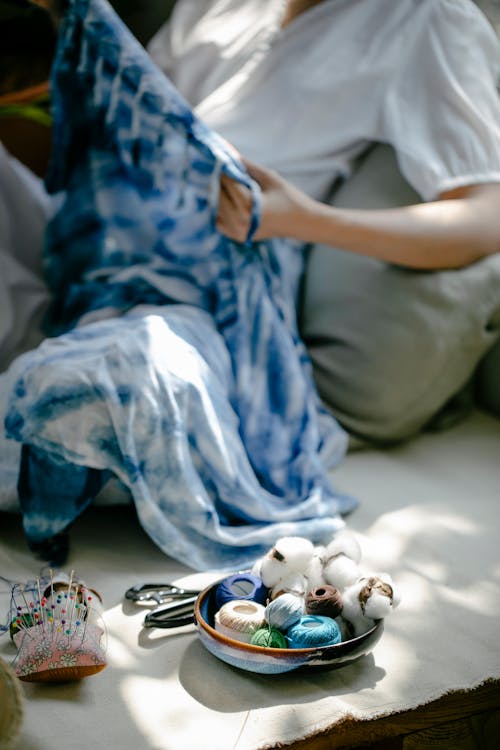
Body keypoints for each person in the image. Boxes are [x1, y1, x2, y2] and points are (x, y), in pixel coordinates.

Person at [147, 0, 500, 443]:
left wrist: (308, 220)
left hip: (212, 283)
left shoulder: (428, 18)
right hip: (98, 234)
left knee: (121, 385)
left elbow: (487, 217)